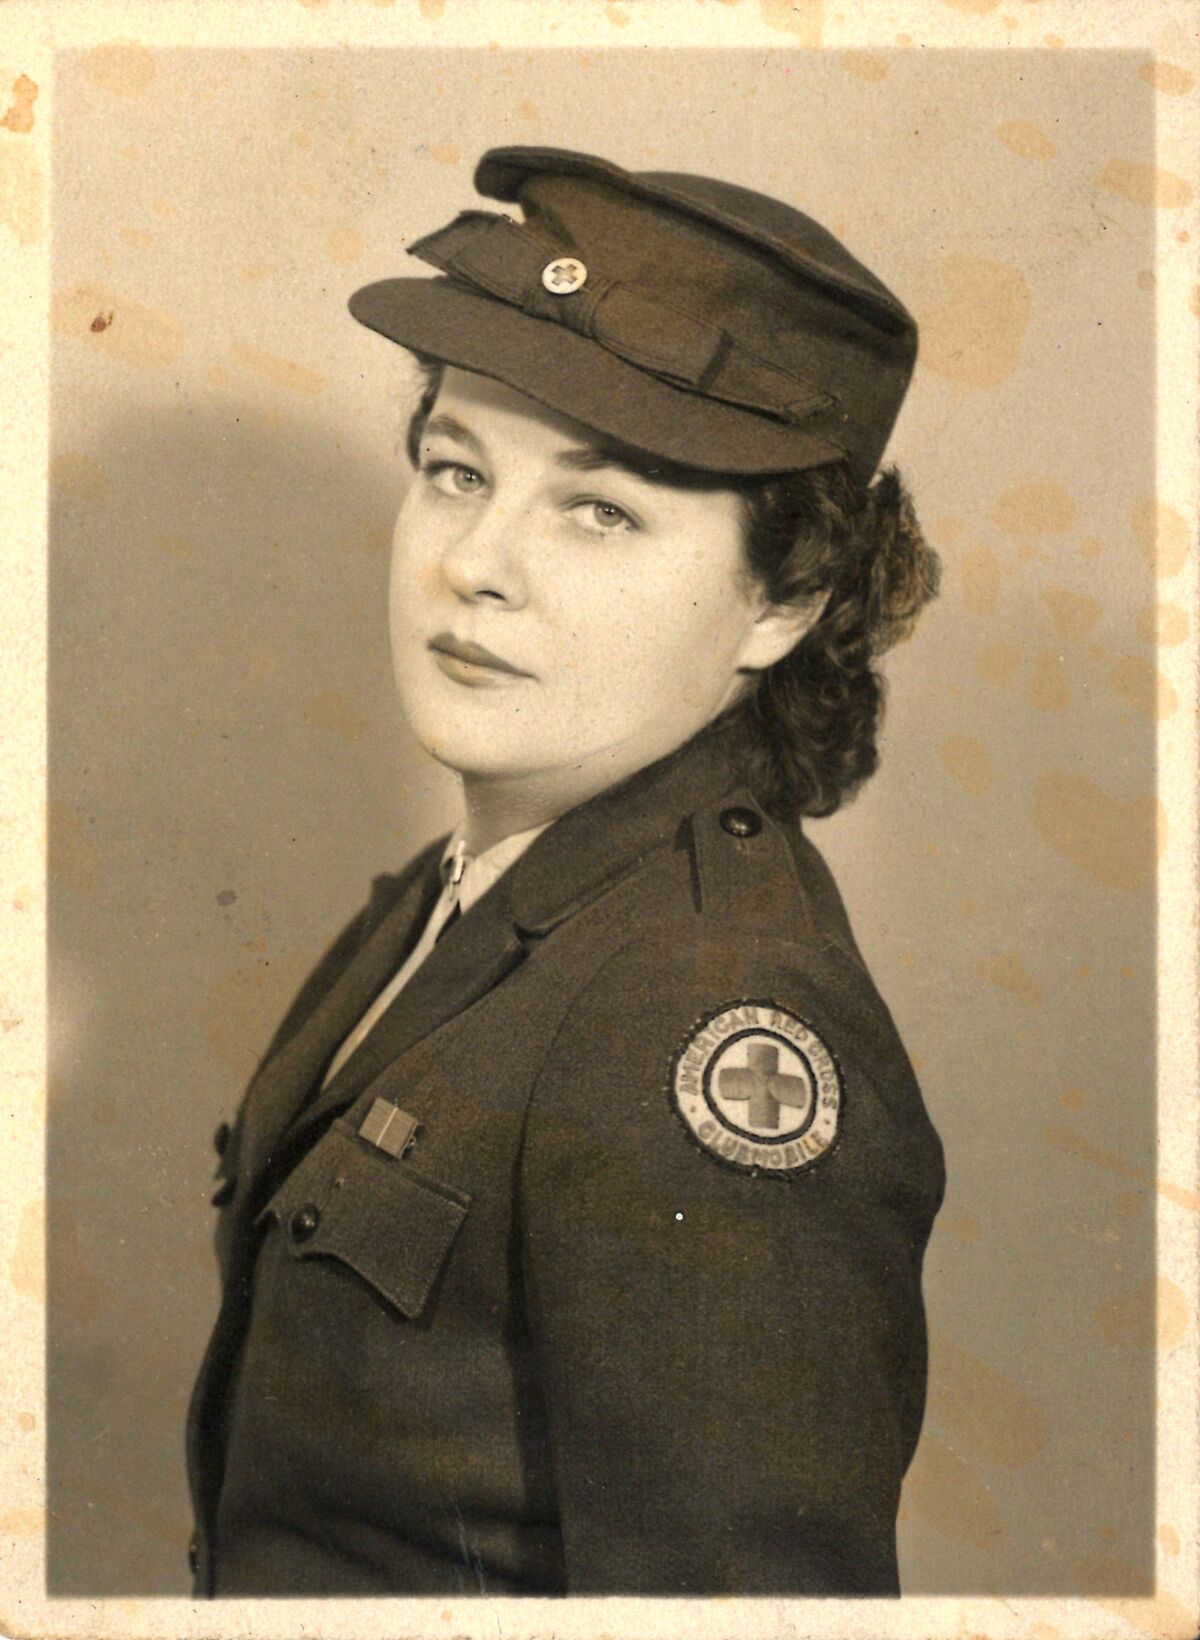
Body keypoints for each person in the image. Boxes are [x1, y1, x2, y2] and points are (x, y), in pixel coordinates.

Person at [186, 145, 945, 1597]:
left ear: (785, 601)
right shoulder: (464, 892)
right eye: (456, 471)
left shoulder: (694, 1013)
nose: (476, 564)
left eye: (601, 512)